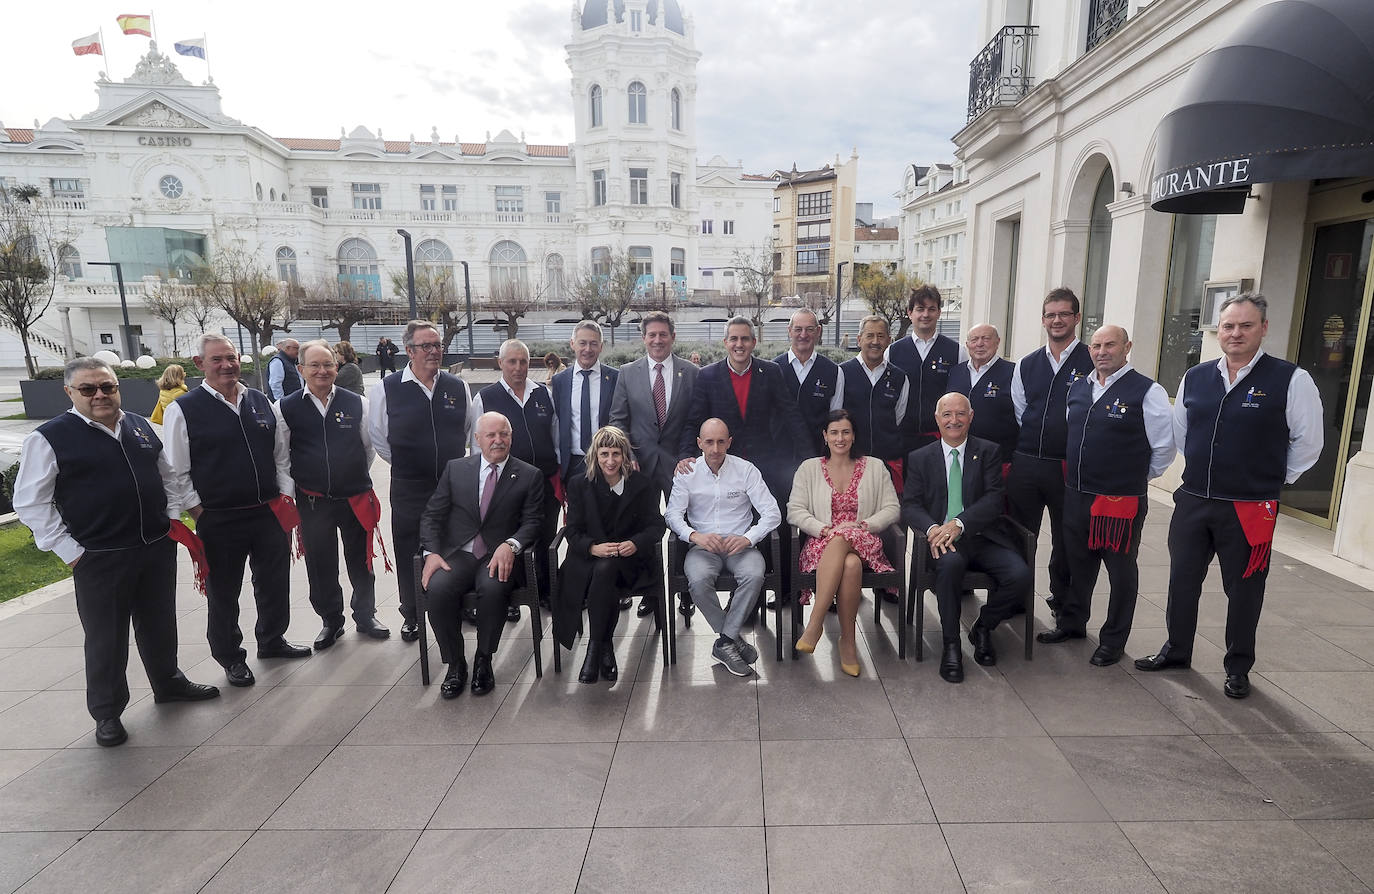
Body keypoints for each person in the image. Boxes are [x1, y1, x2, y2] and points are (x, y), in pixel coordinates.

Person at [14, 357, 220, 747]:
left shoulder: (140, 425)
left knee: (159, 622)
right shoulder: (50, 437)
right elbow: (31, 503)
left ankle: (168, 681)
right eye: (88, 389)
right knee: (106, 637)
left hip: (154, 545)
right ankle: (107, 712)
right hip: (99, 555)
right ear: (69, 392)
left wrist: (171, 514)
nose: (100, 395)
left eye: (107, 387)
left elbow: (167, 474)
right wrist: (71, 551)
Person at [1135, 294, 1323, 699]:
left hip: (1251, 506)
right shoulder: (1196, 376)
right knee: (1182, 580)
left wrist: (1268, 479)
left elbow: (1309, 443)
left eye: (1245, 325)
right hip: (1194, 499)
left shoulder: (1291, 379)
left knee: (1245, 589)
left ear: (1263, 328)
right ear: (1217, 331)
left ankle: (1238, 667)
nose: (1235, 333)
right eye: (1228, 326)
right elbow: (1183, 433)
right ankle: (1176, 649)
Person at [162, 333, 310, 689]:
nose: (226, 365)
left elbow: (280, 456)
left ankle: (272, 640)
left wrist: (285, 495)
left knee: (273, 583)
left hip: (267, 512)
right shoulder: (184, 409)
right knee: (224, 591)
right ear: (199, 364)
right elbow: (175, 469)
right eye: (217, 359)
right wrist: (196, 511)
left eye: (231, 357)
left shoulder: (259, 401)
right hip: (218, 517)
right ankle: (230, 656)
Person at [1037, 325, 1175, 665]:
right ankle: (1072, 623)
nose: (1101, 351)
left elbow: (1164, 448)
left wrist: (1133, 478)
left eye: (1110, 345)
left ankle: (1113, 640)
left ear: (1127, 347)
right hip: (1077, 495)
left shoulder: (1147, 391)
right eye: (1096, 345)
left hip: (1119, 501)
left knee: (1120, 572)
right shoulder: (1080, 388)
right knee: (1077, 565)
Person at [679, 317, 808, 617]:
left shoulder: (771, 372)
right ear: (725, 343)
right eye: (733, 339)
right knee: (736, 527)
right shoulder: (708, 376)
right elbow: (694, 419)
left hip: (765, 464)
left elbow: (791, 415)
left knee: (775, 523)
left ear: (754, 342)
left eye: (745, 339)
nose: (739, 345)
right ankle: (744, 606)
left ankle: (786, 590)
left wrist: (808, 458)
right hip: (723, 465)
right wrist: (685, 455)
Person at [901, 392, 1033, 683]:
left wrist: (960, 524)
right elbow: (910, 504)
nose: (954, 420)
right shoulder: (920, 457)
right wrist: (934, 528)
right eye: (947, 414)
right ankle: (951, 645)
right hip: (940, 540)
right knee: (950, 567)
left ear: (971, 417)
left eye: (960, 414)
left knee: (1020, 575)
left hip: (983, 536)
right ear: (937, 419)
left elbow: (994, 499)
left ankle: (983, 627)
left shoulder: (988, 451)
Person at [275, 340, 390, 650]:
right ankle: (331, 621)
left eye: (327, 364)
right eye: (314, 365)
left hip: (354, 497)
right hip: (313, 501)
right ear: (301, 370)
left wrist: (349, 476)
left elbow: (368, 449)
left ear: (337, 368)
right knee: (320, 563)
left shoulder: (357, 403)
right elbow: (282, 457)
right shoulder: (285, 408)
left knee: (361, 561)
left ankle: (366, 616)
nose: (322, 370)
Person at [420, 412, 543, 698]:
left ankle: (483, 660)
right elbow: (431, 516)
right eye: (491, 435)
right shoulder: (456, 469)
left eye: (504, 434)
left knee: (493, 587)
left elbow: (533, 521)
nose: (498, 440)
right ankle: (455, 664)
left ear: (511, 437)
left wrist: (511, 544)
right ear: (477, 439)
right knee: (437, 589)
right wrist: (432, 553)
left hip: (498, 555)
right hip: (459, 553)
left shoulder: (529, 475)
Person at [367, 320, 473, 642]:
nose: (434, 352)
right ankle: (412, 612)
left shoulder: (458, 386)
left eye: (437, 345)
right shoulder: (387, 388)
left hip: (451, 486)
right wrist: (408, 464)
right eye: (426, 346)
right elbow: (379, 437)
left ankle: (461, 604)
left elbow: (469, 431)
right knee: (410, 549)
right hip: (410, 487)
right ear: (409, 351)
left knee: (456, 546)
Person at [665, 418, 782, 677]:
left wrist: (748, 538)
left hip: (740, 545)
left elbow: (773, 513)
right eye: (709, 442)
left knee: (754, 575)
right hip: (703, 546)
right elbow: (672, 515)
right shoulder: (688, 472)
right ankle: (731, 638)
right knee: (697, 580)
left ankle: (724, 641)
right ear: (699, 443)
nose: (715, 448)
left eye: (721, 441)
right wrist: (694, 535)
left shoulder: (746, 470)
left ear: (730, 442)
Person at [787, 409, 899, 676]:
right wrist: (823, 528)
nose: (840, 438)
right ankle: (847, 642)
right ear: (825, 436)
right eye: (834, 432)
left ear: (853, 435)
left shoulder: (874, 466)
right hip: (821, 543)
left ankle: (815, 624)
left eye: (846, 432)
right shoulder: (809, 468)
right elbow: (795, 509)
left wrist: (863, 525)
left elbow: (892, 508)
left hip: (865, 539)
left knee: (845, 538)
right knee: (849, 565)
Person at [608, 311, 700, 618]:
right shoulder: (628, 372)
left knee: (684, 527)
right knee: (645, 529)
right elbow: (618, 421)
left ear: (673, 337)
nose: (657, 340)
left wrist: (688, 454)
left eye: (663, 334)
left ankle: (684, 590)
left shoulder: (691, 372)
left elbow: (695, 420)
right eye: (652, 335)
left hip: (680, 465)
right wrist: (628, 456)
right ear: (644, 338)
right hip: (640, 466)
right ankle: (651, 593)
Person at [1008, 288, 1094, 616]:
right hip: (1027, 462)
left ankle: (1064, 605)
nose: (1057, 320)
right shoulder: (1027, 364)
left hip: (1068, 466)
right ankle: (1015, 598)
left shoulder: (1091, 359)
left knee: (1067, 540)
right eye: (1051, 315)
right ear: (1043, 320)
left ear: (1076, 318)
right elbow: (1021, 410)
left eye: (1064, 314)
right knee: (1020, 534)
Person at [557, 425, 665, 683]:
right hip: (588, 560)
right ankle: (603, 648)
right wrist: (593, 547)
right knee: (603, 570)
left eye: (616, 454)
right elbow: (571, 530)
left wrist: (636, 543)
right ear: (595, 455)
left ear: (625, 456)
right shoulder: (579, 484)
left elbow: (656, 525)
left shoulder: (640, 484)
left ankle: (594, 651)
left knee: (607, 571)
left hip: (630, 562)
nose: (610, 460)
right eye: (604, 454)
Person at [469, 339, 559, 617]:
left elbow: (554, 436)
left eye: (523, 361)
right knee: (509, 538)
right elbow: (477, 447)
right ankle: (511, 596)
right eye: (512, 361)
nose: (519, 367)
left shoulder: (543, 393)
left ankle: (544, 590)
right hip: (506, 484)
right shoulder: (485, 397)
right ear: (501, 363)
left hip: (544, 480)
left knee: (545, 537)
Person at [886, 285, 966, 456]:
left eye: (931, 309)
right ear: (910, 313)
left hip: (941, 440)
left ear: (938, 312)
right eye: (920, 309)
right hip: (902, 439)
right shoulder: (892, 352)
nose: (925, 315)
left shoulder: (957, 352)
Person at [551, 321, 620, 484]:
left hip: (607, 463)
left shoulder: (615, 378)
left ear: (601, 347)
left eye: (593, 344)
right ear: (572, 344)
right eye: (582, 343)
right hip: (573, 463)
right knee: (577, 510)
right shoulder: (560, 381)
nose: (588, 349)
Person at [774, 308, 844, 460]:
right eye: (798, 329)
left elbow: (835, 420)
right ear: (789, 331)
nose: (803, 335)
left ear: (818, 331)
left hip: (817, 458)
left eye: (809, 329)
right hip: (778, 459)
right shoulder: (772, 369)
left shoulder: (834, 372)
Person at [947, 324, 1018, 470]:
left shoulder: (1014, 372)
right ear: (967, 345)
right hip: (960, 457)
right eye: (974, 339)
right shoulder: (955, 372)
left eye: (986, 339)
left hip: (1000, 459)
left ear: (997, 342)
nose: (979, 344)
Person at [266, 337, 302, 402]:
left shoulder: (291, 361)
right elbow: (275, 384)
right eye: (296, 348)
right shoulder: (278, 361)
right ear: (287, 348)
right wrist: (281, 402)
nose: (298, 351)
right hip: (286, 404)